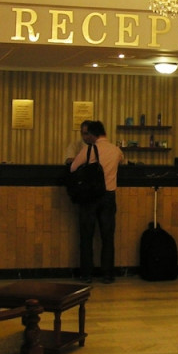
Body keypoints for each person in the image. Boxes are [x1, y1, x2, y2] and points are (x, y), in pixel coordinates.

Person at [69, 120, 124, 283]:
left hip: (90, 197)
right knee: (108, 237)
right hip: (109, 197)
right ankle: (108, 274)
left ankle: (87, 274)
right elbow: (123, 162)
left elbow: (72, 168)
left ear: (93, 134)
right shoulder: (116, 150)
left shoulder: (89, 149)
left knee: (87, 236)